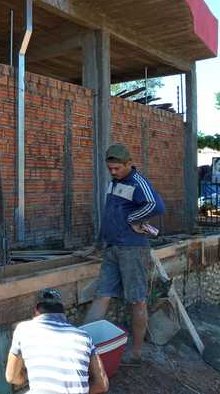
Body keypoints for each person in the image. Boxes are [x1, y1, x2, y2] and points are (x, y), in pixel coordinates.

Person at [84, 143, 165, 366]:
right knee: (102, 295)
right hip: (112, 248)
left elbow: (156, 206)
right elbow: (110, 214)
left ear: (129, 163)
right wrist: (100, 242)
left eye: (117, 168)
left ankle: (136, 353)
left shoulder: (138, 182)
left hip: (133, 249)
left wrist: (133, 219)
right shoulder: (114, 183)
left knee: (137, 301)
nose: (113, 172)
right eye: (110, 168)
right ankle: (82, 348)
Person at [5, 288, 109, 394]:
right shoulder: (84, 336)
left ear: (36, 310)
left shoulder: (23, 329)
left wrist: (25, 377)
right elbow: (102, 384)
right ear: (63, 312)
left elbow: (11, 377)